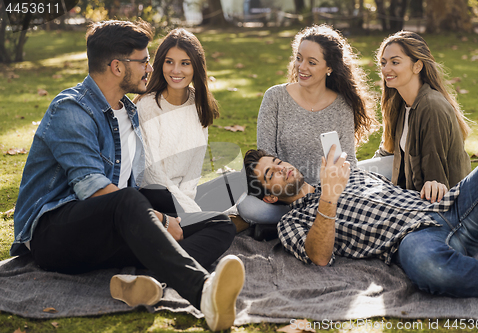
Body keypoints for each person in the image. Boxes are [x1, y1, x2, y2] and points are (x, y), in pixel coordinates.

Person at [11, 20, 244, 331]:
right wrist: (160, 221)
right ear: (118, 67)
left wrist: (170, 212)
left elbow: (134, 185)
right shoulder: (70, 110)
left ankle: (148, 282)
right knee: (130, 201)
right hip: (55, 235)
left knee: (216, 223)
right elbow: (94, 190)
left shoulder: (128, 112)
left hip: (113, 222)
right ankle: (204, 294)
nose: (150, 67)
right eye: (144, 60)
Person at [243, 146, 478, 298]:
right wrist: (329, 198)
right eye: (270, 174)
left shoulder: (349, 173)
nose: (281, 168)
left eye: (278, 162)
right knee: (430, 269)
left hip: (448, 206)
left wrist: (431, 185)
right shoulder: (290, 222)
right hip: (413, 240)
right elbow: (319, 256)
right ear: (269, 196)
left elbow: (397, 190)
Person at [257, 24, 377, 185]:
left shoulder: (342, 106)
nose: (302, 67)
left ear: (329, 67)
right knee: (252, 208)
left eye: (312, 62)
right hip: (286, 193)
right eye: (299, 58)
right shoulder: (275, 98)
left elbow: (348, 163)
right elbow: (266, 158)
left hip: (331, 194)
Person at [376, 31, 471, 196]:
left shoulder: (431, 107)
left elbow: (435, 185)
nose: (386, 69)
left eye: (395, 62)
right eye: (383, 63)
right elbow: (386, 154)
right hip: (411, 198)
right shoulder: (400, 104)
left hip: (445, 208)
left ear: (417, 66)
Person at [135, 28, 219, 213]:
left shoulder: (197, 103)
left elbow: (195, 166)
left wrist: (187, 203)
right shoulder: (148, 106)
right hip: (154, 195)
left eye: (185, 63)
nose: (176, 70)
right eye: (169, 62)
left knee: (237, 181)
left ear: (195, 66)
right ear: (160, 64)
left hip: (184, 196)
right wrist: (191, 210)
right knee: (221, 225)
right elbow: (152, 174)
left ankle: (198, 222)